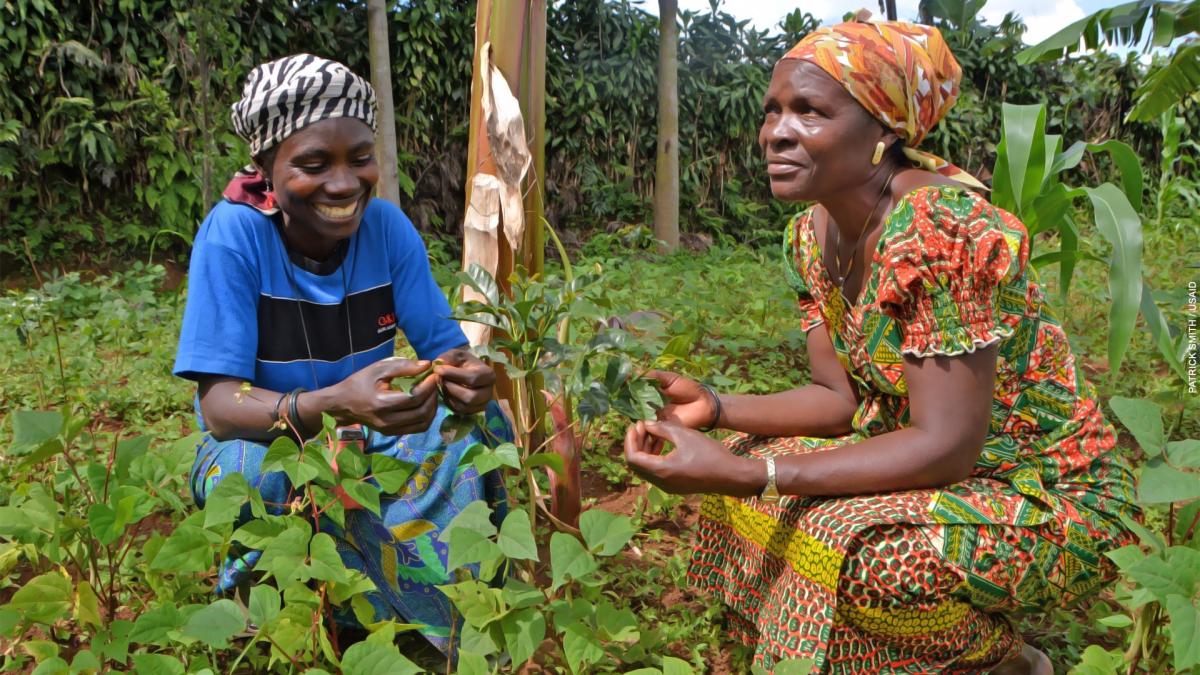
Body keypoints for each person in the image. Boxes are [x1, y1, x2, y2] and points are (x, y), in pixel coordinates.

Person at [623, 18, 1138, 674]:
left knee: (865, 555)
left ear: (885, 131)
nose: (777, 132)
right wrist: (718, 407)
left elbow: (946, 446)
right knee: (744, 477)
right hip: (941, 467)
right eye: (773, 111)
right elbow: (835, 398)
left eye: (810, 111)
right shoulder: (811, 237)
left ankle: (1007, 660)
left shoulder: (940, 228)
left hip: (1049, 492)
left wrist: (757, 473)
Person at [173, 54, 508, 655]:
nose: (343, 184)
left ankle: (459, 613)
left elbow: (450, 352)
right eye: (312, 164)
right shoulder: (234, 235)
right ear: (265, 170)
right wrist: (333, 405)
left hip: (367, 439)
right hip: (267, 441)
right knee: (254, 475)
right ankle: (265, 617)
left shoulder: (387, 229)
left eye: (360, 159)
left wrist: (467, 380)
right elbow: (221, 406)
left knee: (477, 426)